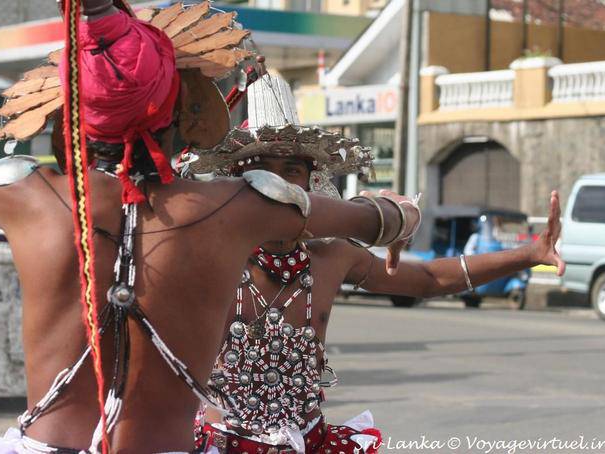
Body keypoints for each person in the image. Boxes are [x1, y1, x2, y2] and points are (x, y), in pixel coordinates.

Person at [0, 2, 420, 453]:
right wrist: (399, 219)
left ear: (71, 105)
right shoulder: (238, 205)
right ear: (181, 108)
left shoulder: (22, 193)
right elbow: (376, 218)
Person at [187, 74, 565, 454]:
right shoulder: (209, 253)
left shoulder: (332, 256)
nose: (277, 186)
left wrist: (530, 255)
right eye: (262, 170)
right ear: (235, 182)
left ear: (309, 181)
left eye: (291, 170)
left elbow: (430, 279)